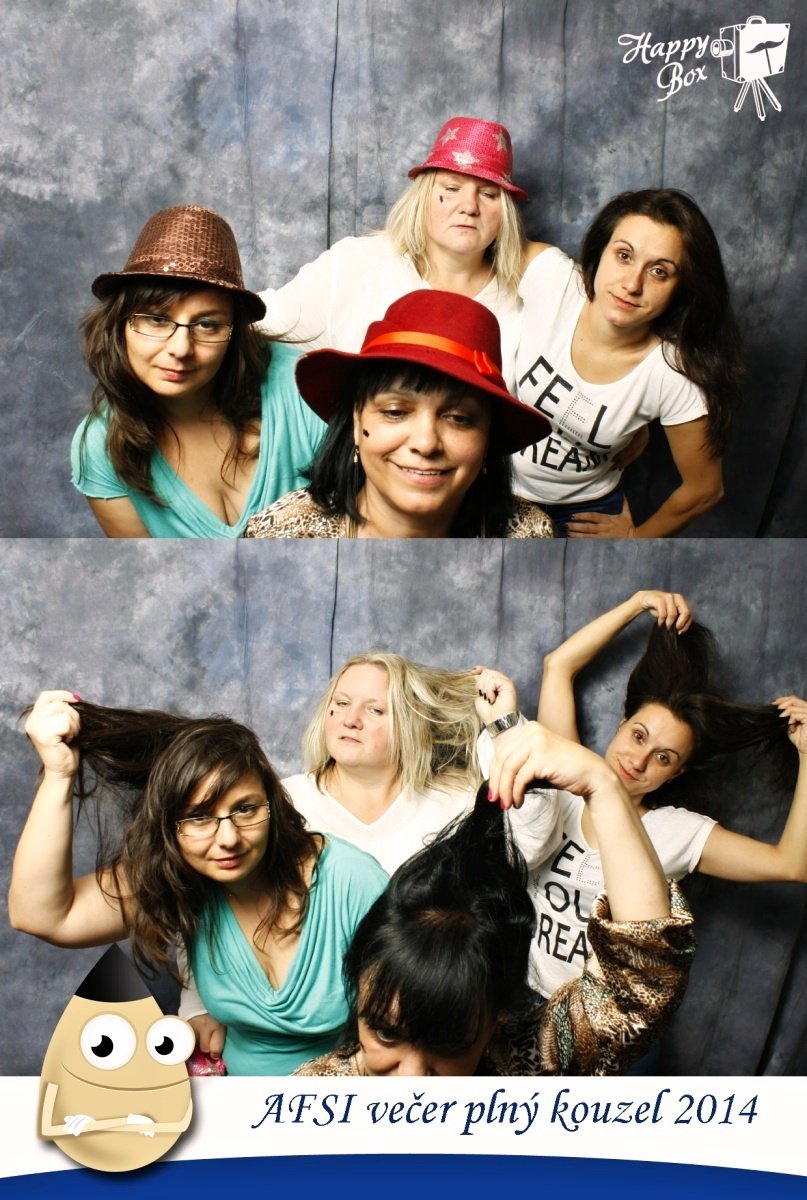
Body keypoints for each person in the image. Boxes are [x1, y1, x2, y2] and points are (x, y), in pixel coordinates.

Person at [182, 651, 560, 1059]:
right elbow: (211, 897)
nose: (350, 719)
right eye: (341, 703)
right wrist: (196, 1003)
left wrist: (505, 728)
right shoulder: (281, 805)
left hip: (406, 1039)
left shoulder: (449, 802)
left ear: (409, 723)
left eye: (375, 709)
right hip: (305, 1047)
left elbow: (532, 841)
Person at [8, 693, 387, 1074]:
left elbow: (407, 1033)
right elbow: (41, 915)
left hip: (341, 1100)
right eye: (199, 818)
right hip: (237, 1103)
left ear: (272, 805)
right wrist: (59, 775)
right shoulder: (185, 878)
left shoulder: (351, 880)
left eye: (245, 809)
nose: (229, 838)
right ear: (169, 828)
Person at [294, 728, 696, 1076]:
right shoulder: (315, 1095)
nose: (411, 1081)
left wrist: (603, 786)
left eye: (450, 1044)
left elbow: (640, 986)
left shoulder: (526, 1060)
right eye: (385, 1033)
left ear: (494, 1021)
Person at [477, 590, 806, 998]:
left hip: (597, 1016)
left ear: (676, 773)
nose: (639, 760)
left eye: (663, 757)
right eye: (638, 735)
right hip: (517, 991)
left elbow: (792, 864)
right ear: (621, 724)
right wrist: (637, 604)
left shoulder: (676, 832)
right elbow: (558, 666)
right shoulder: (565, 778)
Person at [71, 205, 325, 537]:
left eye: (207, 325)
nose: (180, 348)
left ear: (234, 334)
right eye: (157, 320)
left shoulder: (302, 383)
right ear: (120, 324)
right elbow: (146, 567)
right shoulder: (99, 445)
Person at [514, 189, 742, 537]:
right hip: (490, 485)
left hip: (580, 516)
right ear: (600, 251)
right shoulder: (551, 278)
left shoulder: (674, 375)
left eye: (659, 272)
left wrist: (636, 537)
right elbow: (463, 250)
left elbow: (705, 490)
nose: (632, 284)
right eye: (624, 256)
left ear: (681, 288)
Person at [243, 289, 554, 538]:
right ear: (357, 421)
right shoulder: (282, 535)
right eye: (395, 412)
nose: (425, 443)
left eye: (459, 418)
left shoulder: (528, 536)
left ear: (488, 437)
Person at [258, 116, 531, 387]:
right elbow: (261, 321)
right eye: (451, 188)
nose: (469, 207)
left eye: (488, 194)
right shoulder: (355, 264)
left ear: (506, 211)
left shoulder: (525, 300)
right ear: (423, 196)